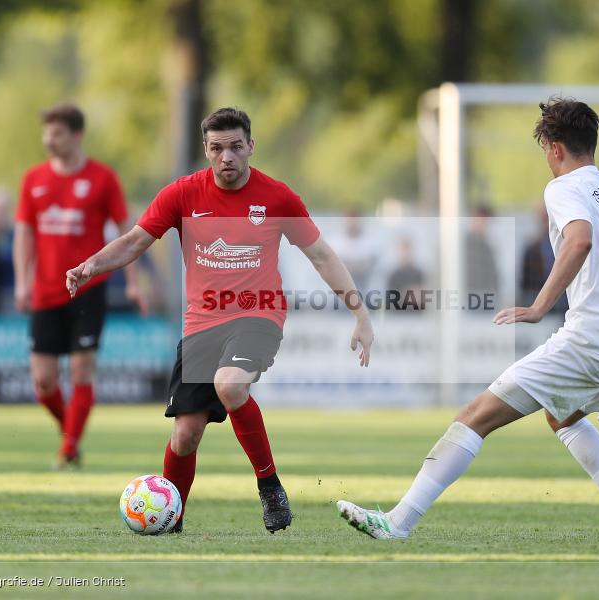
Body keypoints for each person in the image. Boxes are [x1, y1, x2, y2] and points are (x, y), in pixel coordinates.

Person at [338, 97, 599, 543]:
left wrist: (537, 307)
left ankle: (397, 523)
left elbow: (579, 241)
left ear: (554, 148)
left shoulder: (564, 188)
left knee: (475, 416)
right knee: (562, 416)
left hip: (593, 337)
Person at [65, 107, 374, 534]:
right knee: (185, 435)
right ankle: (171, 517)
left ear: (250, 146)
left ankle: (269, 485)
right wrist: (90, 266)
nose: (226, 157)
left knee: (229, 384)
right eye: (216, 148)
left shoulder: (278, 197)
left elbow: (321, 255)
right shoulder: (182, 194)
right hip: (202, 323)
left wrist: (359, 311)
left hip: (258, 314)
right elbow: (136, 241)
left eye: (234, 147)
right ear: (206, 151)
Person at [14, 103, 143, 469]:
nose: (48, 140)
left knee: (81, 372)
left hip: (88, 290)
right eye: (46, 133)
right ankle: (70, 429)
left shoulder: (102, 178)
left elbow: (127, 232)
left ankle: (69, 448)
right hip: (45, 291)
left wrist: (133, 282)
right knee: (43, 381)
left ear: (76, 135)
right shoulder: (33, 179)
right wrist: (23, 282)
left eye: (56, 133)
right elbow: (23, 233)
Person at [520, 204, 567, 316]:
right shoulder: (533, 247)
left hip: (565, 302)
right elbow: (526, 282)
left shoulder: (566, 243)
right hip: (543, 302)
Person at [465, 205, 499, 309]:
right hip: (469, 301)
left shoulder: (487, 246)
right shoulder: (463, 245)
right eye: (482, 219)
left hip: (484, 301)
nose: (485, 223)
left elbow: (493, 277)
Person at [386, 238, 425, 311]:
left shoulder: (418, 273)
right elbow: (391, 300)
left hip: (418, 317)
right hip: (399, 316)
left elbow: (423, 298)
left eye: (407, 250)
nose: (404, 254)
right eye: (402, 251)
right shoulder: (393, 275)